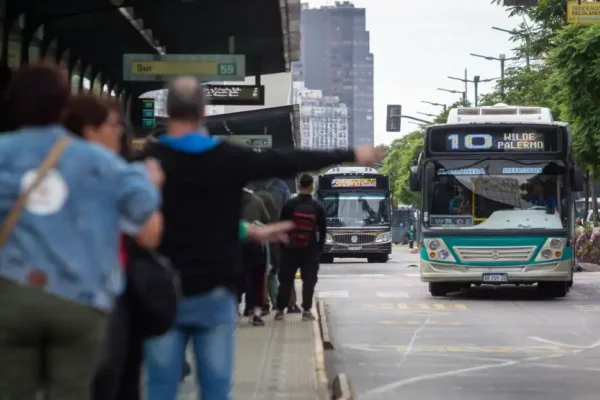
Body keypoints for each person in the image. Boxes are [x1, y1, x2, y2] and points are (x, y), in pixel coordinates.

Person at [139, 76, 383, 400]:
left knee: (159, 389)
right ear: (202, 111)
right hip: (215, 294)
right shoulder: (228, 158)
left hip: (162, 295)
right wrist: (351, 152)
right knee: (215, 390)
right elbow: (289, 158)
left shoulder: (147, 163)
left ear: (167, 112)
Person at [0, 62, 163, 400]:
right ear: (63, 107)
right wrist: (153, 184)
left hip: (12, 298)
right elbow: (146, 225)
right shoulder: (100, 162)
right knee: (73, 391)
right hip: (80, 301)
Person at [275, 174, 327, 321]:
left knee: (286, 280)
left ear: (298, 186)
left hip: (290, 249)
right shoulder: (317, 207)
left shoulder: (289, 205)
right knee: (309, 281)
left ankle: (280, 310)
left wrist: (282, 247)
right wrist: (319, 250)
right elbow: (323, 231)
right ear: (312, 187)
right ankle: (306, 311)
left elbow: (281, 228)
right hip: (310, 250)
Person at [239, 188, 271, 325]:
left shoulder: (227, 198)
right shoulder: (257, 200)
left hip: (236, 246)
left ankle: (234, 311)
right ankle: (256, 314)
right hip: (256, 244)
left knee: (237, 279)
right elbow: (267, 219)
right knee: (257, 279)